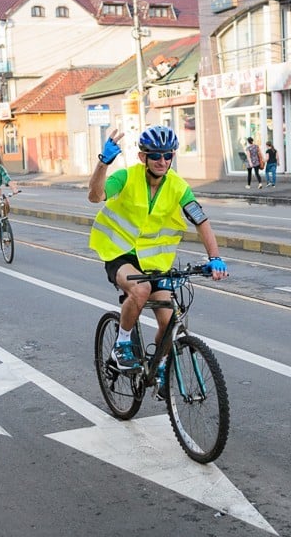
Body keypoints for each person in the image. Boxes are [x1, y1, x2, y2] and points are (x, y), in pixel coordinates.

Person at [88, 125, 228, 379]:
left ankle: (160, 365)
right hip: (119, 252)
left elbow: (200, 220)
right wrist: (103, 163)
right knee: (140, 290)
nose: (162, 161)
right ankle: (122, 343)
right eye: (155, 155)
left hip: (153, 261)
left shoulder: (178, 186)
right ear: (143, 157)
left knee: (169, 320)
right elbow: (95, 196)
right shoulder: (127, 177)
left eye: (168, 155)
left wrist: (214, 257)